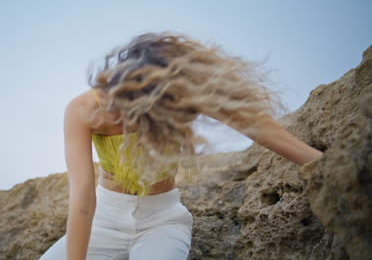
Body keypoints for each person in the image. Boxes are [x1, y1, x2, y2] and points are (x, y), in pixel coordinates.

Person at [39, 31, 324, 260]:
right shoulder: (84, 109)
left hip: (162, 222)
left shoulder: (177, 94)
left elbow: (257, 126)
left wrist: (324, 165)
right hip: (104, 219)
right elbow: (83, 198)